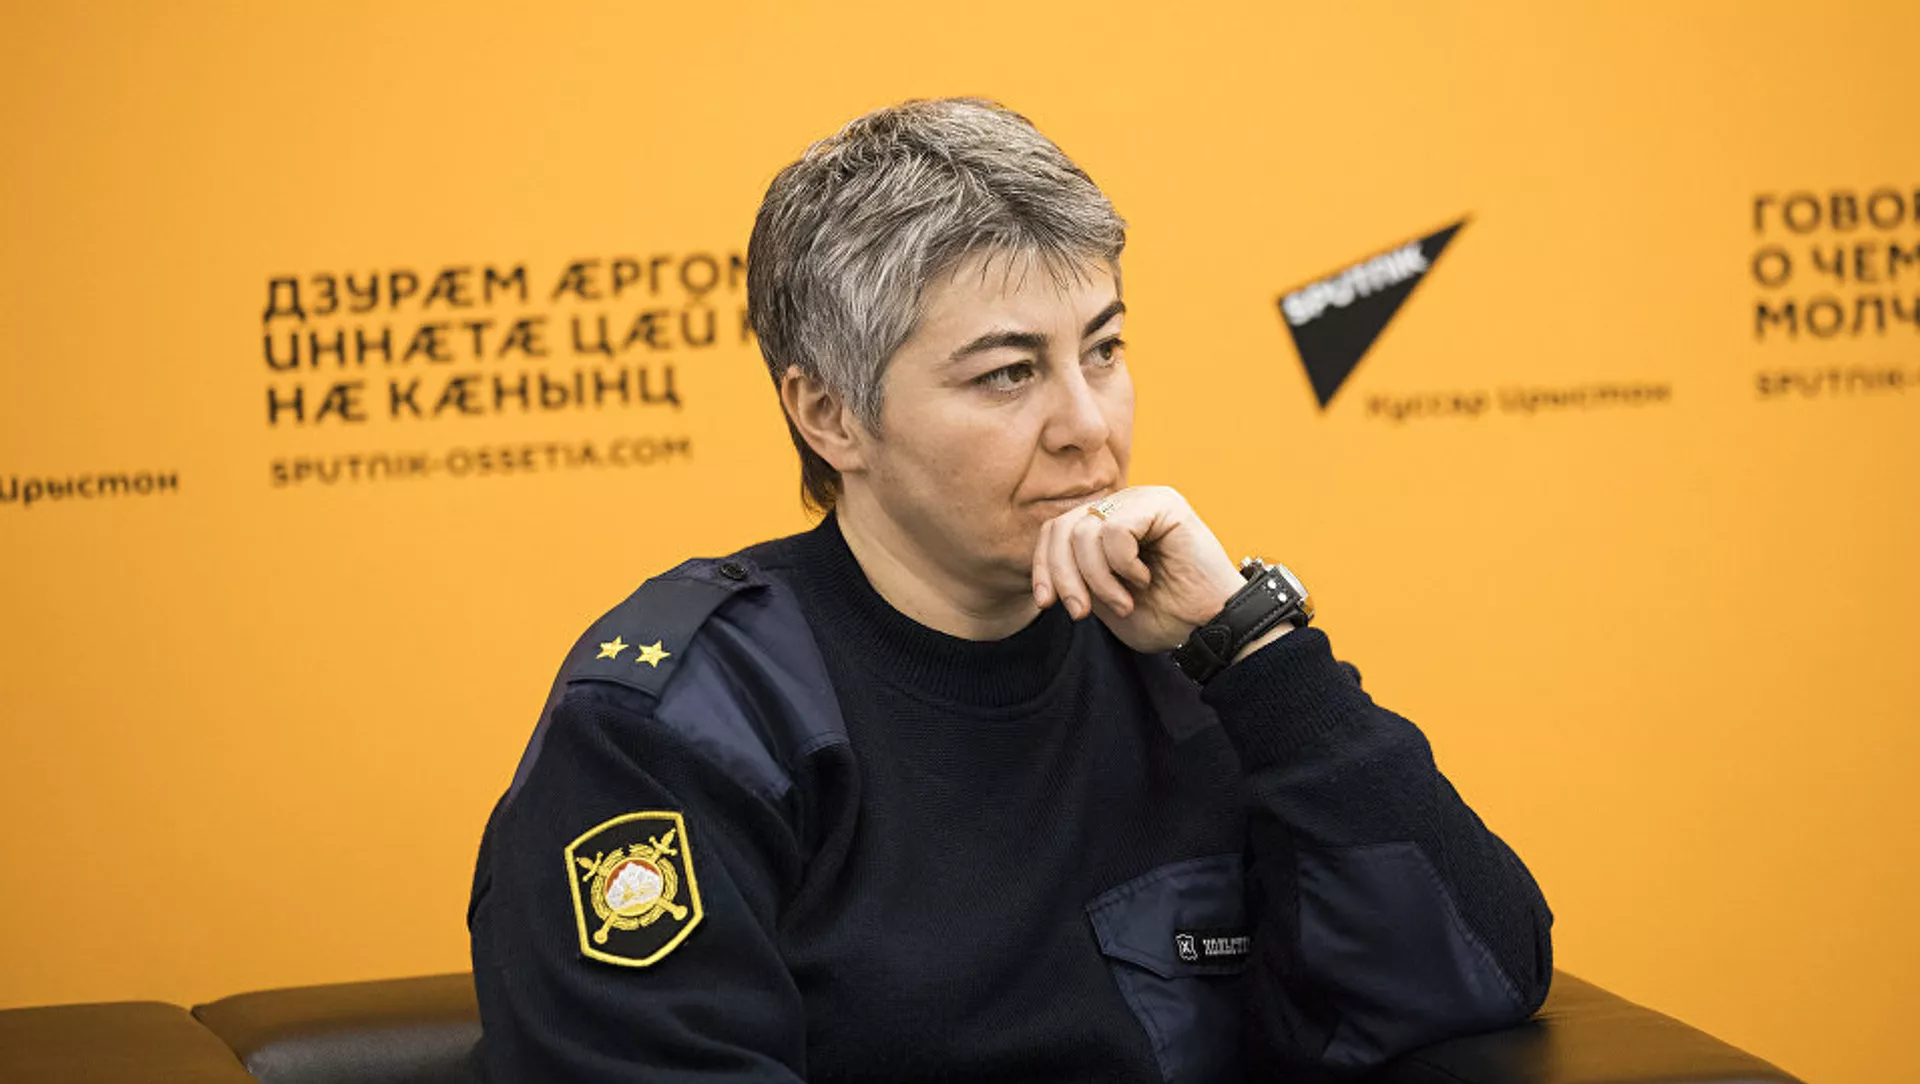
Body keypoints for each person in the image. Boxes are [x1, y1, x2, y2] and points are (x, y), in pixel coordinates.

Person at [467, 97, 1553, 1083]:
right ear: (830, 416)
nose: (1089, 424)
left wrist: (1254, 650)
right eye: (1008, 373)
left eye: (1105, 350)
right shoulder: (685, 722)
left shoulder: (1187, 660)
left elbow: (1476, 978)